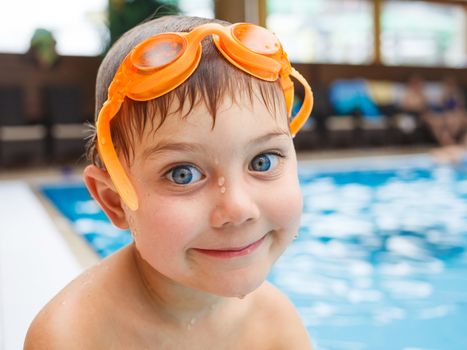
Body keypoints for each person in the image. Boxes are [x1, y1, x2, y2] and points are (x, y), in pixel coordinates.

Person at [24, 15, 314, 349]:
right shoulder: (72, 337)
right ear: (114, 200)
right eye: (183, 174)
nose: (237, 208)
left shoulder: (276, 327)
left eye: (262, 162)